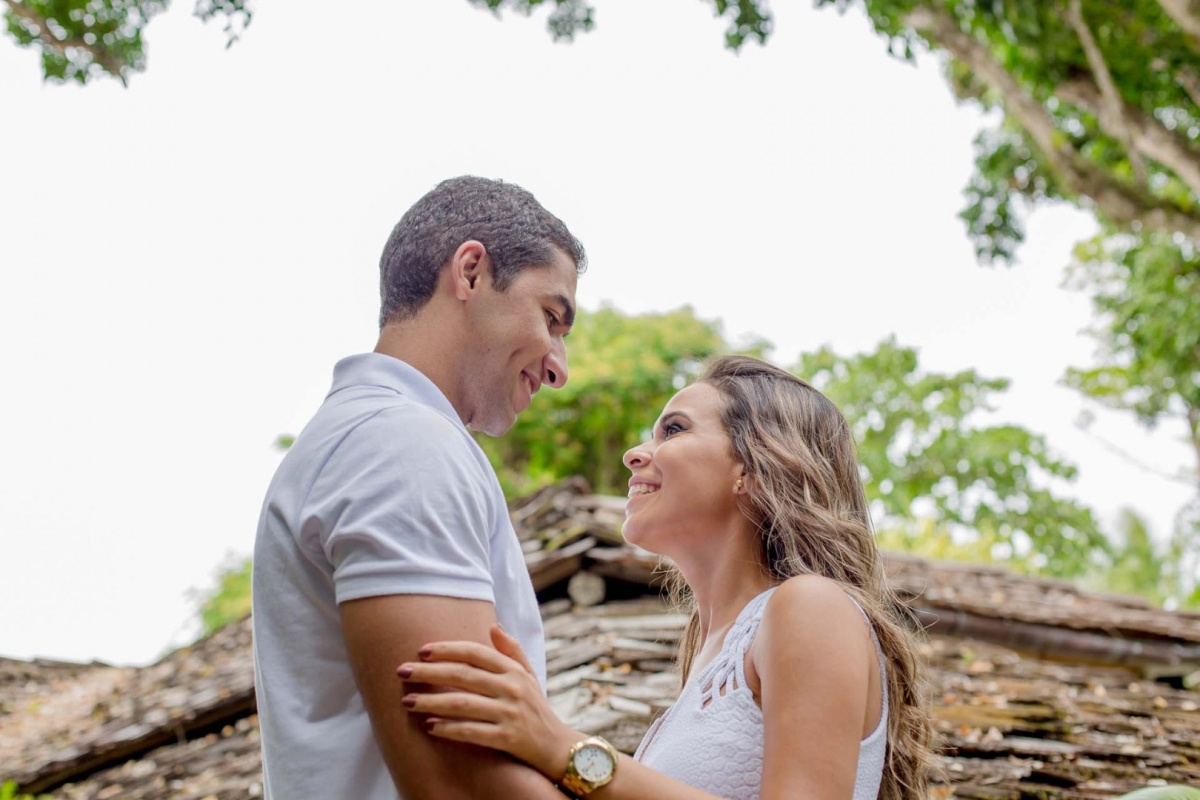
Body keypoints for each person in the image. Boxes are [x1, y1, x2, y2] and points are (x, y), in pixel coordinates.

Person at [397, 355, 937, 799]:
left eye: (673, 430)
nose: (636, 454)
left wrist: (564, 747)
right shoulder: (708, 655)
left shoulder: (810, 607)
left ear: (753, 468)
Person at [251, 175, 587, 799]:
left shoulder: (376, 437)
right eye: (551, 317)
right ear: (470, 272)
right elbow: (459, 784)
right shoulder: (403, 446)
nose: (558, 367)